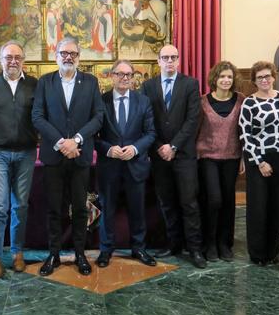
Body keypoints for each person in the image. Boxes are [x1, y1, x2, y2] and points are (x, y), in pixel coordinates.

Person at [32, 37, 104, 276]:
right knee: (54, 208)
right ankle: (53, 254)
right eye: (64, 53)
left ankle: (80, 254)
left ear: (79, 57)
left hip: (80, 155)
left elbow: (98, 117)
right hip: (54, 156)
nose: (68, 57)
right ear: (56, 56)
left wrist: (77, 140)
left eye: (73, 53)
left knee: (81, 209)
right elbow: (37, 116)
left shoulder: (91, 82)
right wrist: (62, 143)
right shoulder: (45, 82)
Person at [141, 44, 206, 269]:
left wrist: (174, 146)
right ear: (158, 61)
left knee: (189, 203)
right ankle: (174, 244)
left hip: (184, 155)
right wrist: (160, 146)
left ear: (178, 60)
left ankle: (195, 249)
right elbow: (146, 120)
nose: (170, 61)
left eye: (173, 57)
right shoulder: (148, 86)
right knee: (167, 202)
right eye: (165, 57)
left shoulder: (190, 84)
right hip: (159, 155)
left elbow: (193, 119)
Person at [0, 41, 38, 279]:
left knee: (20, 205)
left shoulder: (34, 85)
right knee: (0, 207)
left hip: (26, 152)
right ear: (1, 60)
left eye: (17, 57)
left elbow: (40, 115)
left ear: (23, 60)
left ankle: (17, 252)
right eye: (8, 57)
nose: (13, 61)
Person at [95, 60, 156, 268]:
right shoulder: (100, 101)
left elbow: (150, 133)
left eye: (128, 74)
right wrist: (108, 149)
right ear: (112, 76)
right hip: (109, 166)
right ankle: (105, 250)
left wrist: (135, 148)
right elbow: (93, 135)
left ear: (133, 78)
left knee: (137, 210)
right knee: (107, 210)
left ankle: (139, 248)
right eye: (120, 74)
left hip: (135, 165)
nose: (124, 78)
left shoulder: (143, 101)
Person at [239, 61, 279, 266]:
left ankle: (273, 251)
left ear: (274, 77)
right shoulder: (249, 103)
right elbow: (245, 136)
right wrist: (260, 162)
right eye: (260, 77)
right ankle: (258, 253)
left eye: (267, 76)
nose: (264, 80)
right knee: (258, 206)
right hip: (258, 158)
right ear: (254, 80)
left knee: (276, 205)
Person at [196, 61, 245, 262]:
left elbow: (244, 131)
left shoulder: (241, 100)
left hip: (232, 157)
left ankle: (224, 243)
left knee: (228, 200)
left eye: (229, 77)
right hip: (207, 156)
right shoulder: (202, 101)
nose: (226, 80)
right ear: (214, 79)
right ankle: (209, 243)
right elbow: (195, 129)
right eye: (222, 76)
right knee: (213, 199)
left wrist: (243, 157)